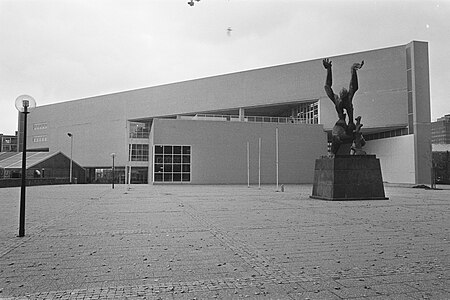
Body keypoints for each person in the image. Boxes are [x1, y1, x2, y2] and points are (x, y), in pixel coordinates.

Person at [323, 58, 364, 133]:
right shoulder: (337, 100)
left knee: (351, 126)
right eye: (342, 99)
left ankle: (351, 124)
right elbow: (327, 86)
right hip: (341, 120)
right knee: (341, 125)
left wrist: (353, 70)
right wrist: (329, 69)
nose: (342, 100)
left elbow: (353, 85)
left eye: (344, 99)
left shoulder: (348, 98)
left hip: (349, 121)